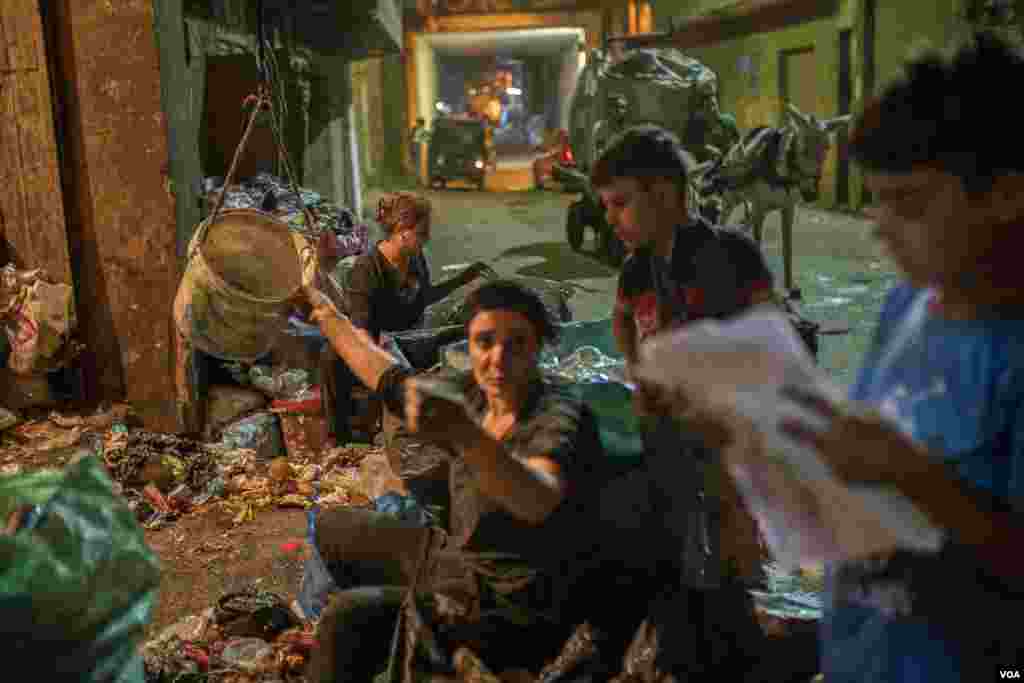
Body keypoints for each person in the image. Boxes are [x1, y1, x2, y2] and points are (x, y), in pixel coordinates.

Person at [674, 32, 1024, 682]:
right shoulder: (908, 305)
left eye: (911, 203)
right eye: (877, 199)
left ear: (1005, 195)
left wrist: (905, 472)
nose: (880, 226)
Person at [303, 280, 606, 682]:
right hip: (461, 561)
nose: (498, 358)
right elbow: (389, 378)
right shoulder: (475, 394)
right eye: (485, 342)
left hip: (515, 606)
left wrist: (467, 435)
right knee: (331, 526)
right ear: (470, 345)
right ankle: (307, 635)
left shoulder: (559, 415)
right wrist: (327, 314)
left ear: (538, 348)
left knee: (349, 617)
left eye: (516, 343)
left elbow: (539, 496)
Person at [587, 124, 792, 680]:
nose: (611, 219)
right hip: (669, 449)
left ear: (667, 192)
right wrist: (637, 369)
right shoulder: (637, 269)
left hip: (729, 450)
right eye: (606, 207)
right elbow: (621, 316)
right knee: (682, 574)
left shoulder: (729, 256)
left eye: (621, 204)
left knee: (725, 580)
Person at [319, 192, 489, 447]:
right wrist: (386, 373)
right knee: (331, 356)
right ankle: (340, 439)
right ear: (401, 230)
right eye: (422, 233)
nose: (427, 239)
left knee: (466, 335)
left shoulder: (415, 258)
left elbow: (423, 297)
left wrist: (464, 279)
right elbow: (361, 333)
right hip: (377, 348)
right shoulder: (368, 268)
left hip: (408, 342)